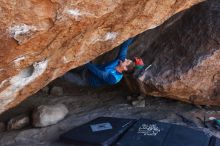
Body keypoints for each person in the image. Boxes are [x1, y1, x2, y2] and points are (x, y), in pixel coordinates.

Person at [64, 38, 135, 88]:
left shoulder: (113, 79)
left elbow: (98, 72)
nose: (125, 59)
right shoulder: (121, 61)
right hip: (89, 69)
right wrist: (132, 34)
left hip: (86, 80)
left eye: (127, 61)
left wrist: (85, 62)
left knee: (65, 75)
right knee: (71, 67)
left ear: (125, 68)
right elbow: (124, 47)